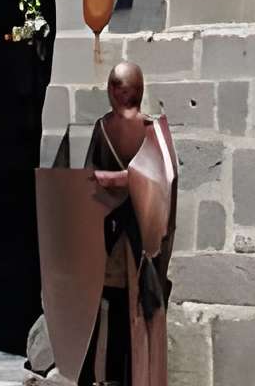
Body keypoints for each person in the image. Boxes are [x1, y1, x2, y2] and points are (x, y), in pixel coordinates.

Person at [82, 62, 177, 386]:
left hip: (141, 234)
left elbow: (162, 177)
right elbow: (87, 175)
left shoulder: (153, 129)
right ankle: (105, 375)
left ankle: (142, 377)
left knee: (141, 304)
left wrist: (117, 179)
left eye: (122, 88)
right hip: (110, 231)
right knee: (107, 302)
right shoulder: (103, 127)